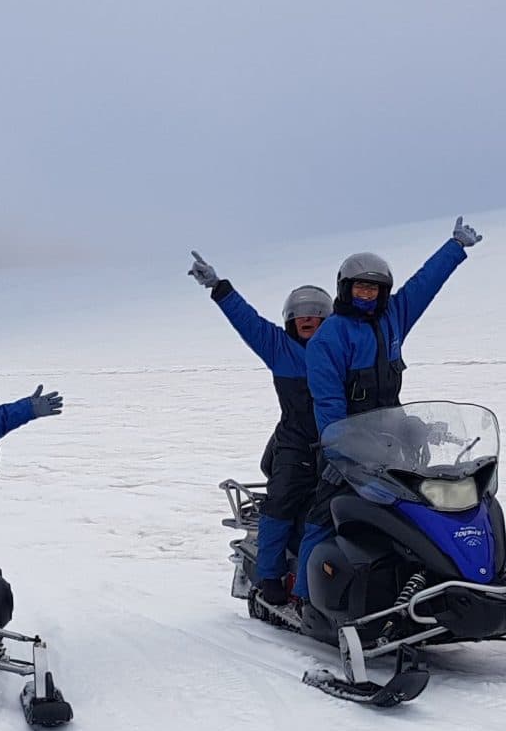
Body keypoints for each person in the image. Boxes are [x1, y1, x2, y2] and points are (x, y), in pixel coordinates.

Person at [296, 217, 481, 598]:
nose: (368, 295)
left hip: (393, 441)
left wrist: (454, 249)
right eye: (361, 288)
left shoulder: (391, 319)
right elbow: (328, 403)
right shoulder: (329, 339)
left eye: (375, 290)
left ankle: (425, 579)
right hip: (345, 448)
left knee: (424, 503)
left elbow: (423, 287)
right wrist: (342, 449)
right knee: (324, 515)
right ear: (346, 289)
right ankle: (303, 595)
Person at [189, 251, 330, 606]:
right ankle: (269, 577)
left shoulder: (339, 352)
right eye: (300, 315)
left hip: (339, 447)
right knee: (279, 505)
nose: (306, 319)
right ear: (290, 321)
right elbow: (248, 321)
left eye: (314, 314)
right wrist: (219, 288)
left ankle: (314, 590)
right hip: (295, 447)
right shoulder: (279, 348)